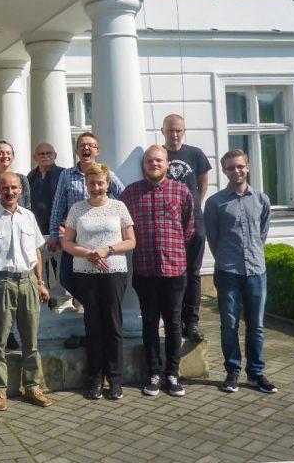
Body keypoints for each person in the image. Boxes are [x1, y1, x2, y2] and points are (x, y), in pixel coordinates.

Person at [121, 145, 195, 398]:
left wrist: (173, 249)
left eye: (159, 160)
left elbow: (189, 227)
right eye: (150, 160)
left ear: (167, 164)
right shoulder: (130, 194)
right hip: (145, 268)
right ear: (144, 165)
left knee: (174, 323)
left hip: (174, 269)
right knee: (150, 323)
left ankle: (173, 374)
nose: (154, 164)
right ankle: (154, 373)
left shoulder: (181, 190)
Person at [206, 149, 277, 395]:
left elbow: (262, 233)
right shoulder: (215, 203)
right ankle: (232, 372)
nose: (236, 171)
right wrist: (227, 258)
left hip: (256, 271)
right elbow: (213, 238)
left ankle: (256, 373)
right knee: (229, 324)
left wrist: (252, 254)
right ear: (224, 171)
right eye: (230, 167)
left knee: (256, 325)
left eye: (240, 166)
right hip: (228, 271)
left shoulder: (261, 199)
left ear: (247, 167)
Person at [62, 163, 135, 401]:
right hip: (85, 272)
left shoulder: (119, 207)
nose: (96, 187)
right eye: (92, 183)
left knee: (113, 324)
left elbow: (131, 241)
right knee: (93, 325)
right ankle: (95, 379)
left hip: (114, 272)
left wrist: (107, 250)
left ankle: (115, 379)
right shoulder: (77, 209)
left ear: (107, 184)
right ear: (86, 184)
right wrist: (88, 253)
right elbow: (67, 243)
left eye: (100, 183)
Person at [0, 172, 52, 411]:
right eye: (5, 188)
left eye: (14, 187)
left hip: (28, 280)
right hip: (2, 282)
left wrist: (41, 282)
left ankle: (32, 385)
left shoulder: (29, 217)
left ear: (21, 189)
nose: (9, 192)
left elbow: (37, 253)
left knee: (30, 339)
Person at [49, 133, 124, 345]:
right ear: (76, 151)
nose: (86, 148)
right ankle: (94, 311)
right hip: (75, 242)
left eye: (91, 145)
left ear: (97, 151)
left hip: (101, 242)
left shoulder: (105, 173)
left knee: (102, 286)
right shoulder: (66, 175)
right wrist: (54, 234)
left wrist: (118, 223)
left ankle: (96, 324)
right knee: (66, 278)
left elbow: (124, 195)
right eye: (82, 145)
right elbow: (57, 206)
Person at [161, 114, 212, 343]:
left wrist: (194, 209)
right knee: (173, 273)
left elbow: (202, 184)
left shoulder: (195, 154)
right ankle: (174, 319)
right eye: (170, 130)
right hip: (167, 223)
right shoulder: (158, 155)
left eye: (178, 130)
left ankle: (191, 321)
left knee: (193, 272)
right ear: (163, 131)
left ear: (184, 131)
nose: (174, 135)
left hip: (194, 221)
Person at [27, 143, 66, 311]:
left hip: (59, 232)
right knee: (42, 272)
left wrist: (63, 225)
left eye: (49, 153)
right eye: (41, 153)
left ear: (55, 155)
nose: (45, 156)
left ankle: (63, 306)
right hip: (37, 232)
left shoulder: (63, 174)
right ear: (35, 157)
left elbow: (68, 201)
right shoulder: (31, 176)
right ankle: (47, 305)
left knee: (60, 271)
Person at [0, 141, 31, 214]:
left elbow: (27, 206)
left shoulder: (22, 179)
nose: (5, 156)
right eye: (0, 153)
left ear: (13, 156)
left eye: (8, 153)